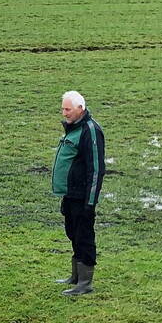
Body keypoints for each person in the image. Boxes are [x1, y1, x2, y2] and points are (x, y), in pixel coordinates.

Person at [52, 91, 105, 296]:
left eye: (68, 109)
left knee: (84, 235)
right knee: (72, 232)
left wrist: (90, 202)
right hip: (71, 194)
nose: (64, 113)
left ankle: (85, 283)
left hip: (83, 196)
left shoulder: (90, 131)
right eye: (63, 108)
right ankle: (75, 276)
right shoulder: (74, 129)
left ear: (80, 109)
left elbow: (96, 168)